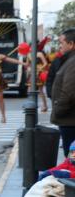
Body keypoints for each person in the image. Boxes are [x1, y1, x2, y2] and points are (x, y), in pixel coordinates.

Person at [50, 29, 75, 158]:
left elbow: (69, 92)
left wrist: (58, 110)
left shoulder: (72, 62)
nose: (60, 46)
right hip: (68, 120)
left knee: (72, 161)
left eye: (61, 42)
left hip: (70, 121)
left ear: (71, 44)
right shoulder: (69, 60)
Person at [26, 47, 49, 112]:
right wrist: (28, 68)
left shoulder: (40, 54)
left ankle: (45, 105)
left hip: (39, 71)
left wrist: (40, 68)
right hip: (32, 72)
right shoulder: (28, 54)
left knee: (40, 90)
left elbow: (45, 63)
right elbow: (27, 64)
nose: (30, 48)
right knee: (29, 88)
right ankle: (30, 104)